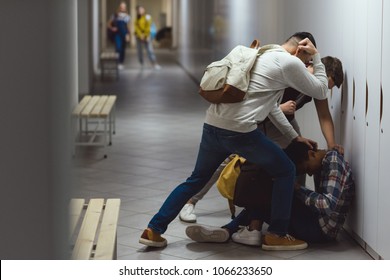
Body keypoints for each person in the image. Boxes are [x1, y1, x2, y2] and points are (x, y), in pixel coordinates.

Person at [138, 32, 328, 250]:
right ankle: (277, 234)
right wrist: (318, 57)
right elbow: (321, 89)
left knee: (196, 179)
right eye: (307, 61)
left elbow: (272, 108)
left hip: (213, 124)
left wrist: (294, 137)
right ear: (300, 50)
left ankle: (153, 229)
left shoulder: (261, 53)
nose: (305, 66)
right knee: (285, 170)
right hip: (240, 131)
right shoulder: (289, 62)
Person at [179, 55, 344, 223]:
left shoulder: (318, 85)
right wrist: (280, 108)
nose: (322, 90)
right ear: (314, 68)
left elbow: (324, 115)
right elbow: (259, 97)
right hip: (256, 117)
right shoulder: (292, 71)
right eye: (324, 83)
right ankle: (190, 201)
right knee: (227, 159)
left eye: (326, 87)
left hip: (283, 122)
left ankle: (290, 207)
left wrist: (331, 145)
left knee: (298, 155)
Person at [185, 141, 355, 249]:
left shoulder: (332, 160)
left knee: (273, 193)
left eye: (306, 169)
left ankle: (235, 230)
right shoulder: (324, 162)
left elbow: (327, 205)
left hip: (320, 231)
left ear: (311, 154)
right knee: (272, 193)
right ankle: (232, 230)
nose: (309, 174)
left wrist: (296, 189)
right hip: (315, 222)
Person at [107, 1, 131, 69]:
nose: (123, 8)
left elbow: (128, 27)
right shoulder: (114, 15)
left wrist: (128, 35)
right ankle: (117, 62)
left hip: (124, 33)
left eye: (124, 7)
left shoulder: (127, 16)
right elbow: (108, 24)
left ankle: (121, 62)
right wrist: (112, 28)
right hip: (117, 34)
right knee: (118, 48)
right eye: (121, 6)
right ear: (119, 7)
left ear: (125, 8)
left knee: (123, 49)